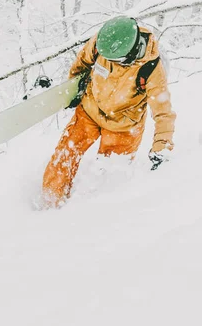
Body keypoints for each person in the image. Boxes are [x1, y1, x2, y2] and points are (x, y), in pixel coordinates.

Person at [42, 16, 176, 207]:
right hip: (89, 111)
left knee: (107, 178)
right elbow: (81, 63)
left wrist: (161, 147)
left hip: (123, 127)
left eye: (115, 60)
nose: (108, 61)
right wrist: (74, 89)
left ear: (130, 55)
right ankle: (49, 202)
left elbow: (163, 112)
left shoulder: (152, 68)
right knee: (65, 154)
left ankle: (91, 218)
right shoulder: (102, 43)